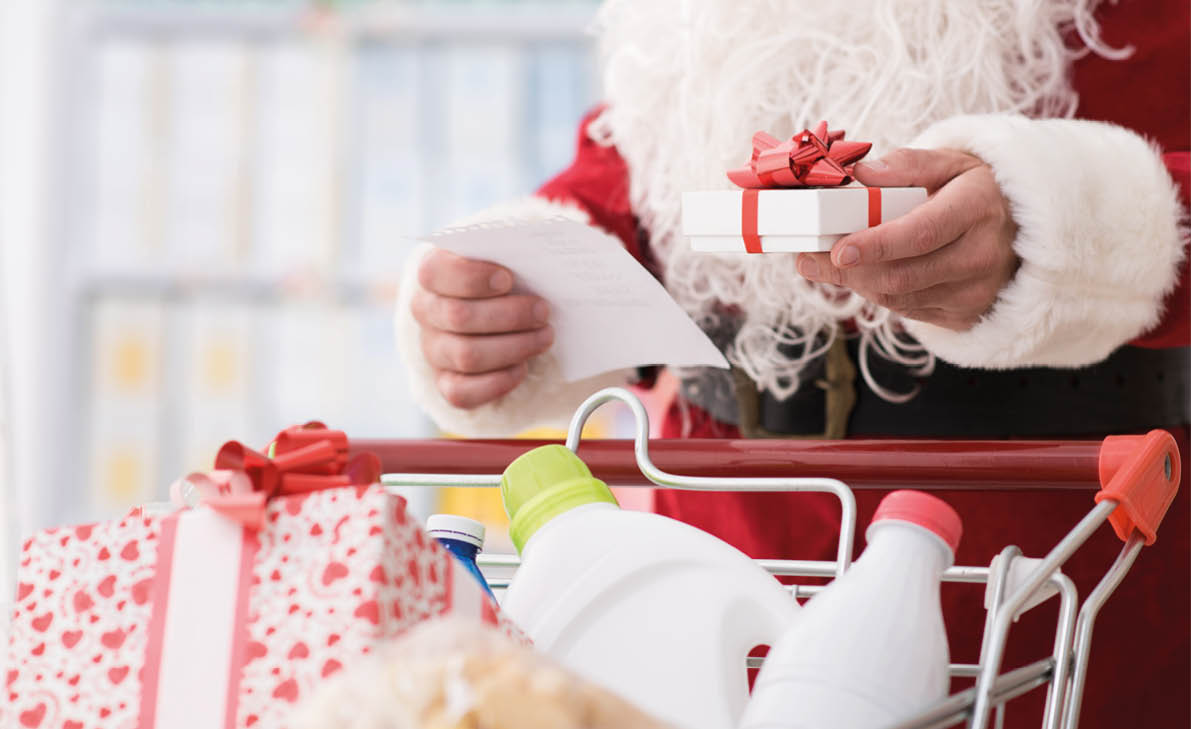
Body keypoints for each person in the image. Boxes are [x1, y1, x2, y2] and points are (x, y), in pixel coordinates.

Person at [395, 1, 1189, 726]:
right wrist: (497, 305)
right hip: (719, 537)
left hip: (1052, 565)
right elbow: (644, 154)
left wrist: (1069, 226)